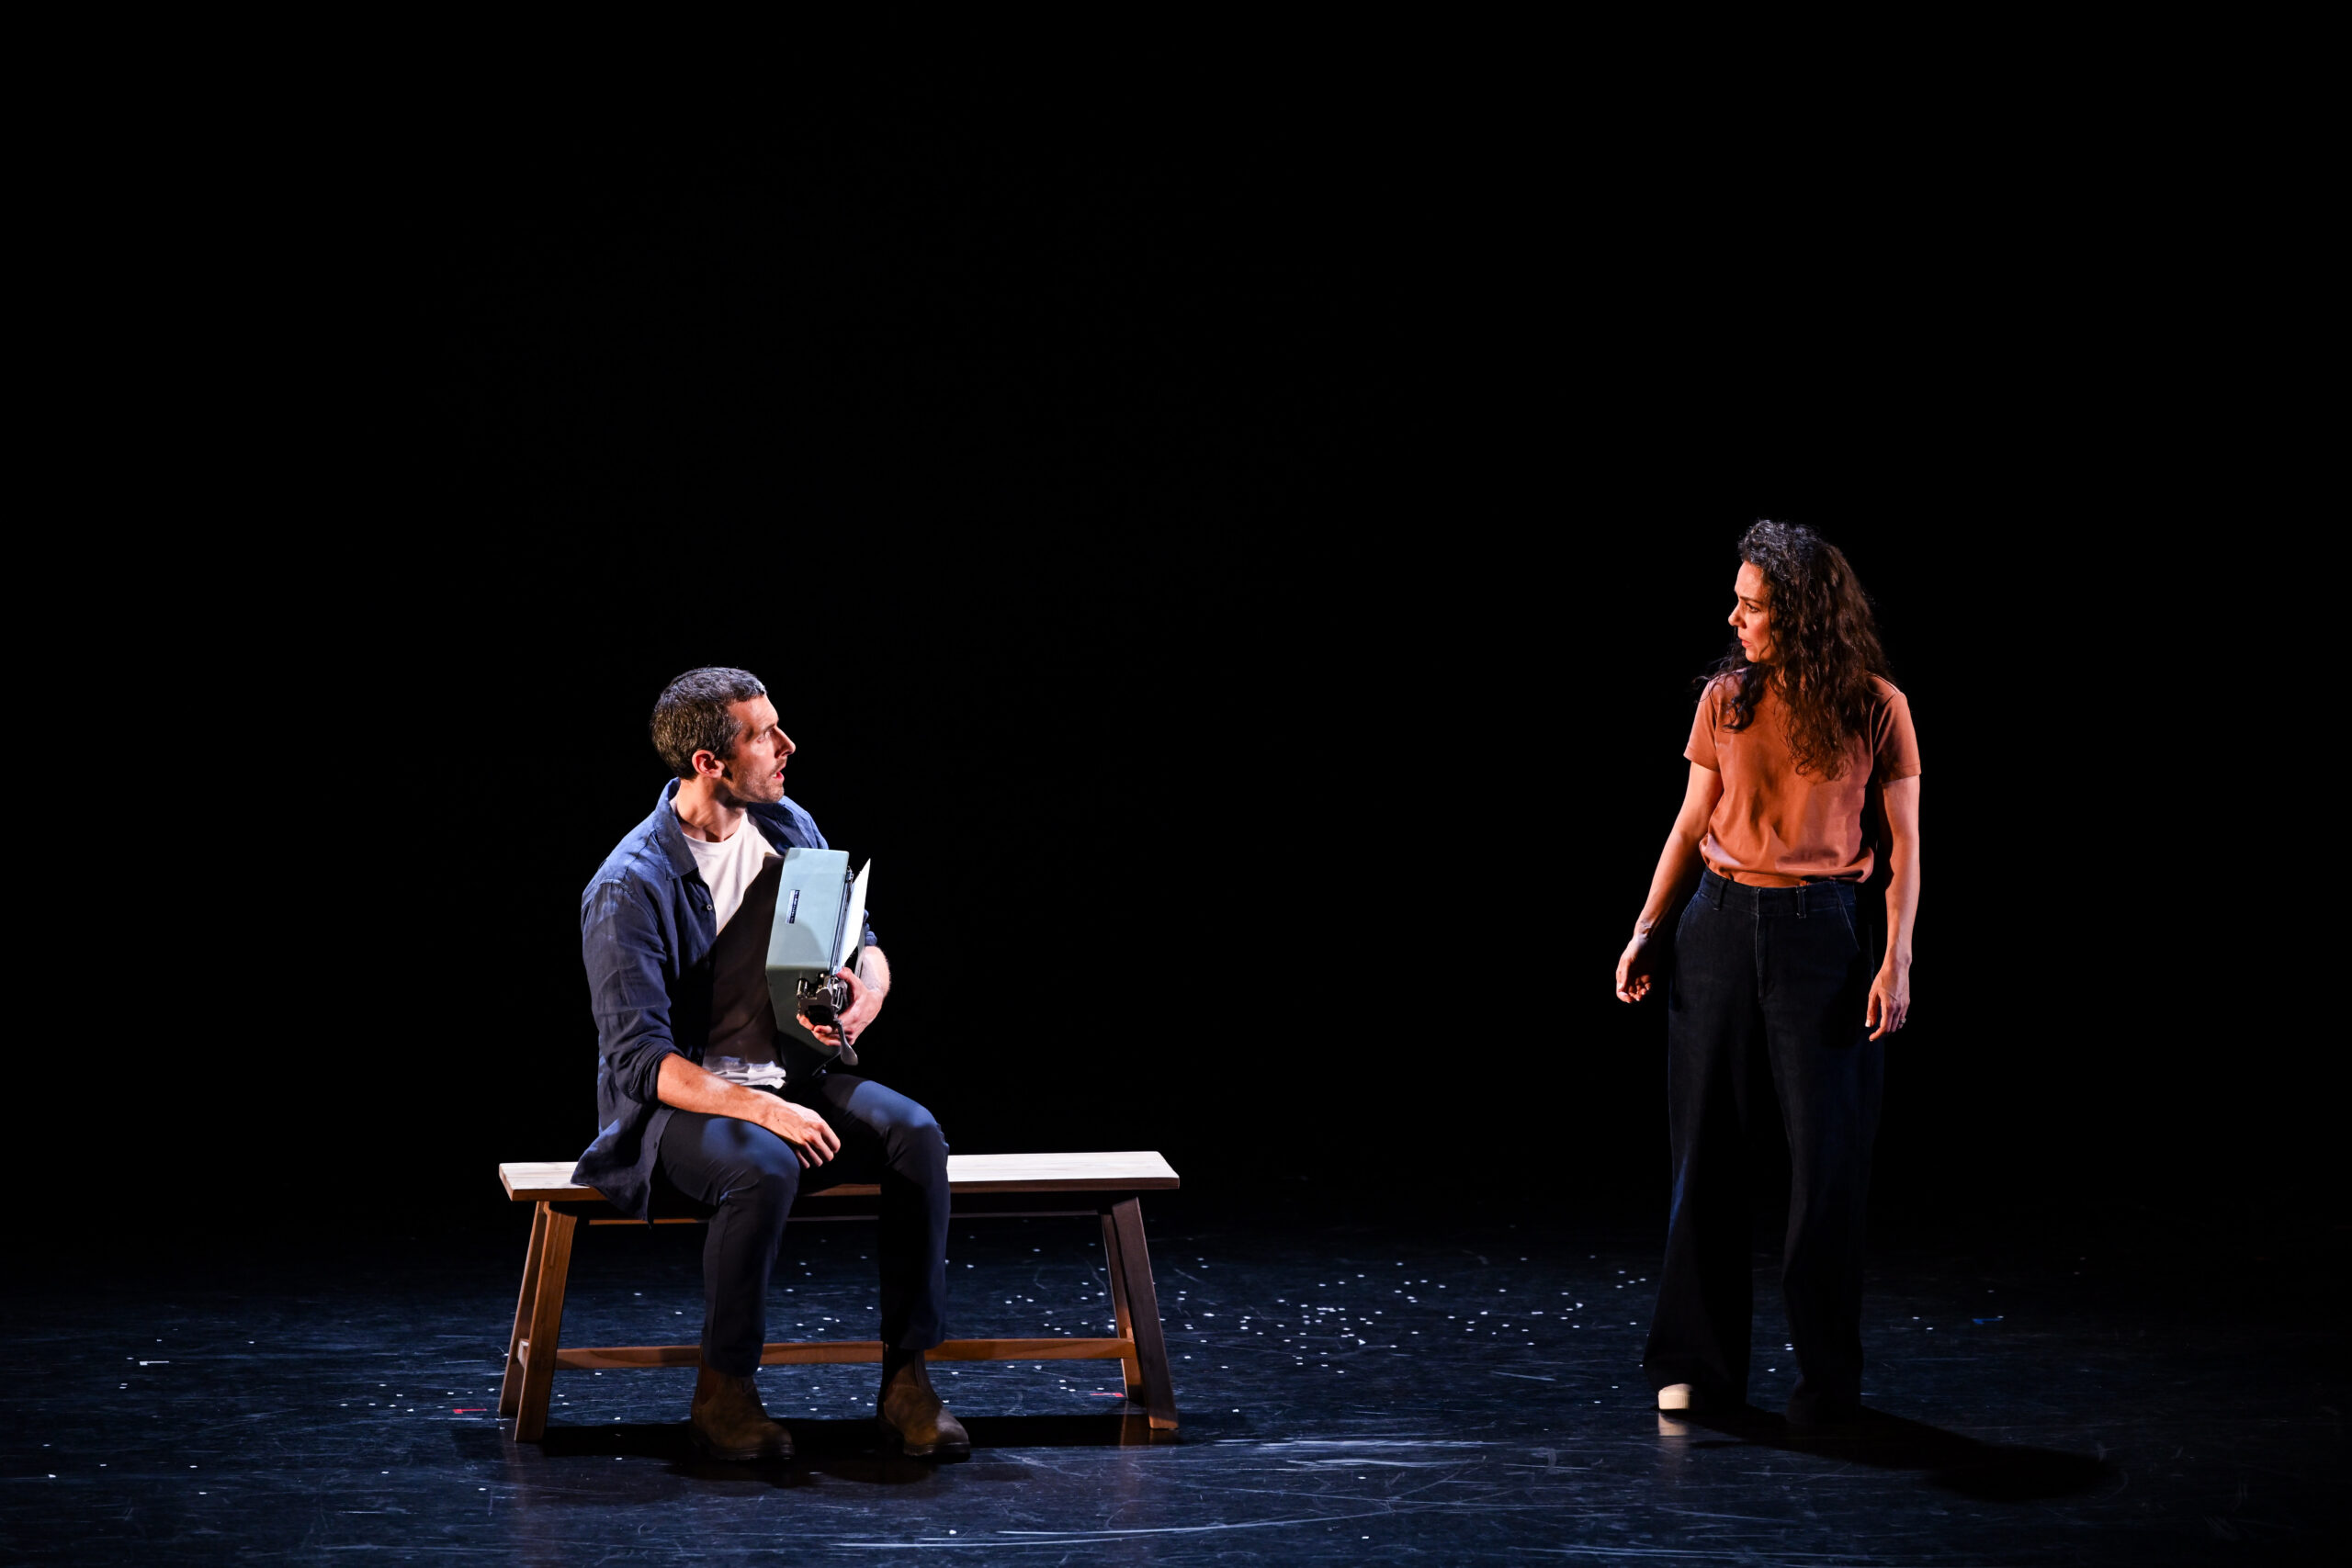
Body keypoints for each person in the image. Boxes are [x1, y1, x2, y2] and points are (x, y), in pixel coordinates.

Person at [572, 666, 966, 1461]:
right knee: (763, 1165)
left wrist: (868, 987)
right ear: (709, 762)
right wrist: (762, 1108)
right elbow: (642, 1061)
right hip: (679, 1111)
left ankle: (907, 1380)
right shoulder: (629, 885)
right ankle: (722, 1391)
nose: (787, 745)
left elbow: (860, 938)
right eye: (763, 735)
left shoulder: (786, 824)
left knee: (917, 1133)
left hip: (794, 1074)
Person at [1613, 522, 1922, 1431]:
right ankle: (1695, 1367)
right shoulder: (1726, 701)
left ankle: (1826, 1385)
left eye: (1751, 605)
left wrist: (1896, 959)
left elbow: (1905, 848)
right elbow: (1688, 823)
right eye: (1738, 601)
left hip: (1820, 937)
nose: (1734, 617)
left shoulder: (1877, 706)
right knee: (1705, 1153)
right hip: (1717, 926)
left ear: (1801, 613)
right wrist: (1646, 929)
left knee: (1826, 1165)